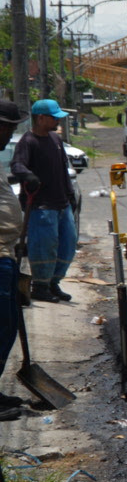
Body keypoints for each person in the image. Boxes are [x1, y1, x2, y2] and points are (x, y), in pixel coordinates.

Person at [11, 99, 77, 304]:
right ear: (41, 118)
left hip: (61, 204)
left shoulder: (55, 140)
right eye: (54, 117)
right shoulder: (28, 142)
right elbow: (17, 165)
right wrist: (28, 176)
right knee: (44, 247)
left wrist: (70, 194)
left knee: (68, 244)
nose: (58, 121)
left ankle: (53, 282)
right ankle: (40, 285)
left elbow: (63, 168)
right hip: (41, 206)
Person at [0, 101, 28, 411]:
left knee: (7, 324)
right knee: (2, 324)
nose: (9, 134)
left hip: (6, 252)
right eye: (6, 127)